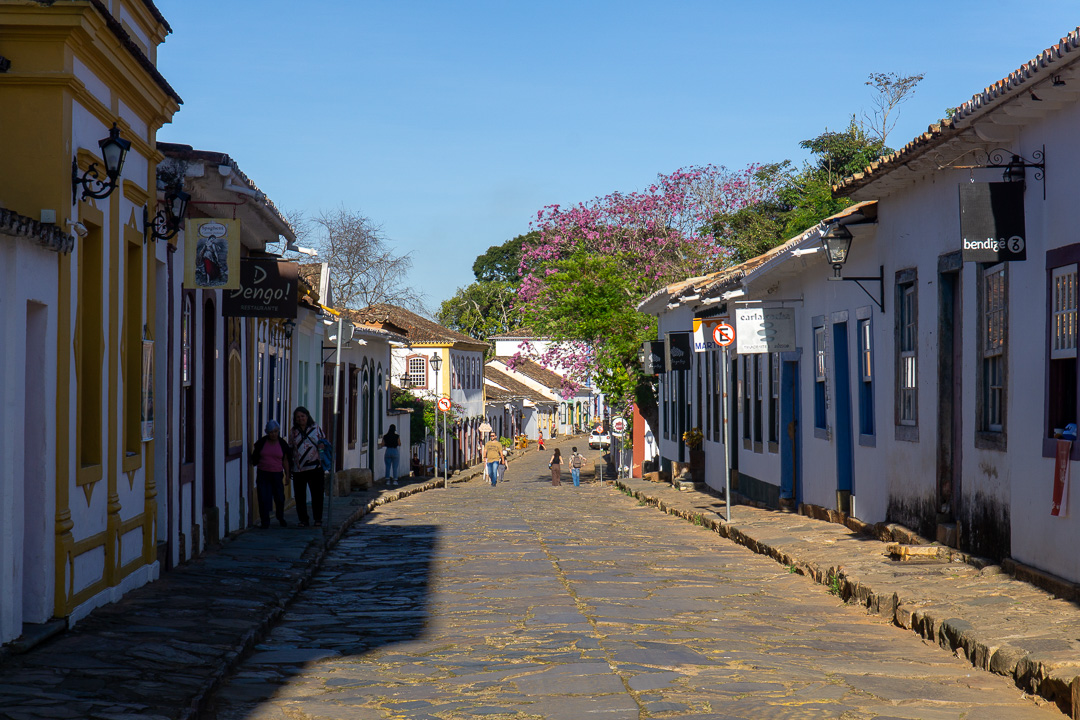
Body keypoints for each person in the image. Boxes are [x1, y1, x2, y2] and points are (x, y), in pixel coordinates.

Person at [289, 406, 327, 527]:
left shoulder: (315, 428)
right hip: (299, 468)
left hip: (315, 467)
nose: (301, 419)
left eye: (303, 416)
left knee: (317, 495)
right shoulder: (293, 431)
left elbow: (324, 442)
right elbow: (290, 447)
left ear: (307, 416)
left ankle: (318, 519)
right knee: (300, 496)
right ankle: (303, 520)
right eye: (298, 417)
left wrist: (322, 447)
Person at [249, 420, 291, 528]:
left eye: (275, 431)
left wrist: (287, 475)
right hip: (263, 473)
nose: (273, 434)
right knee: (263, 497)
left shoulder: (282, 444)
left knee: (280, 497)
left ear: (278, 431)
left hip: (277, 474)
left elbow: (285, 460)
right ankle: (265, 521)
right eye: (271, 432)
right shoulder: (262, 443)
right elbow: (255, 455)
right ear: (267, 432)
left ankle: (280, 517)